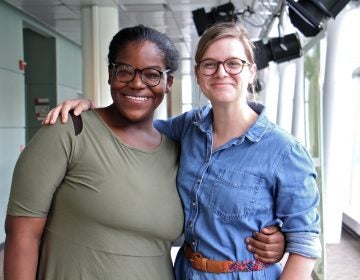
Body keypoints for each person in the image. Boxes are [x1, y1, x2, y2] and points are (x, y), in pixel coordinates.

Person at [44, 22, 322, 279]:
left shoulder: (284, 151)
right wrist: (91, 111)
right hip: (186, 272)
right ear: (199, 75)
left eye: (233, 64)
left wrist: (283, 240)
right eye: (210, 65)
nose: (221, 72)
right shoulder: (189, 128)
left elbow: (306, 245)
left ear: (251, 71)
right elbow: (133, 127)